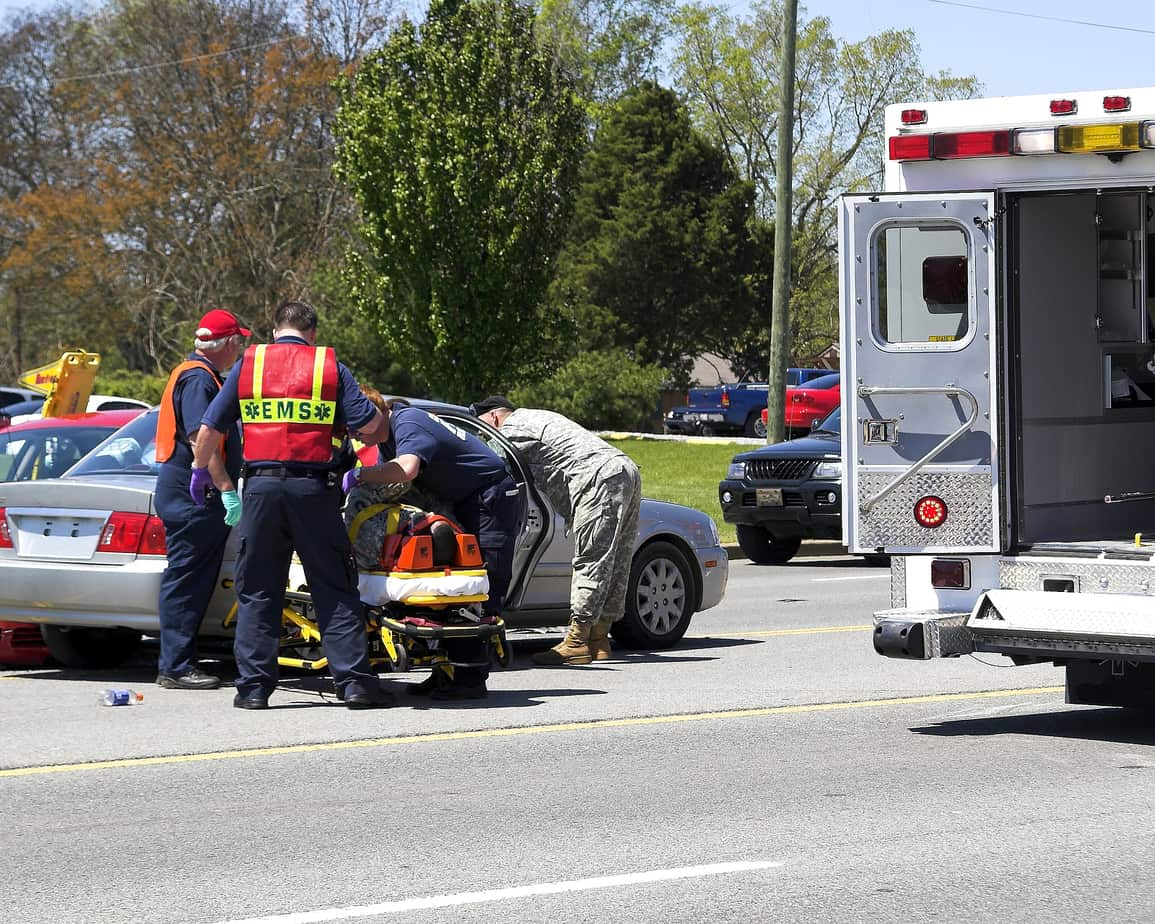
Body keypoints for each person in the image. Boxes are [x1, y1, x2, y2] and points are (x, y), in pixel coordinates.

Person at [190, 300, 395, 710]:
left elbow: (209, 428)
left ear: (275, 330)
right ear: (313, 334)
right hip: (313, 491)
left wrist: (201, 472)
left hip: (261, 490)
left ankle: (253, 689)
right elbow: (373, 428)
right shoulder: (328, 367)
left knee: (259, 590)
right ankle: (353, 684)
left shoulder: (250, 363)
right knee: (333, 586)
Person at [346, 390, 520, 700]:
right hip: (462, 499)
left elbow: (407, 469)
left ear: (376, 413)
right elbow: (398, 487)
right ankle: (445, 672)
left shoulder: (407, 422)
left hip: (489, 496)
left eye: (357, 424)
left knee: (477, 582)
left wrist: (359, 475)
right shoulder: (389, 437)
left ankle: (470, 677)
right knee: (444, 585)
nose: (353, 432)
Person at [469, 396, 641, 665]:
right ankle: (599, 639)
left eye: (482, 428)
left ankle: (576, 641)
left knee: (592, 559)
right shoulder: (536, 416)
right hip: (623, 468)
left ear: (493, 417)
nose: (483, 435)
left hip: (595, 476)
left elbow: (486, 463)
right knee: (616, 559)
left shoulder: (511, 430)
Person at [153, 309, 248, 690]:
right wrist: (226, 489)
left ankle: (178, 660)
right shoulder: (198, 380)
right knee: (187, 578)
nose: (240, 349)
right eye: (238, 342)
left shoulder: (195, 374)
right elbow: (200, 441)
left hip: (186, 487)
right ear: (225, 344)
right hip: (194, 489)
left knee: (192, 576)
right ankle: (175, 666)